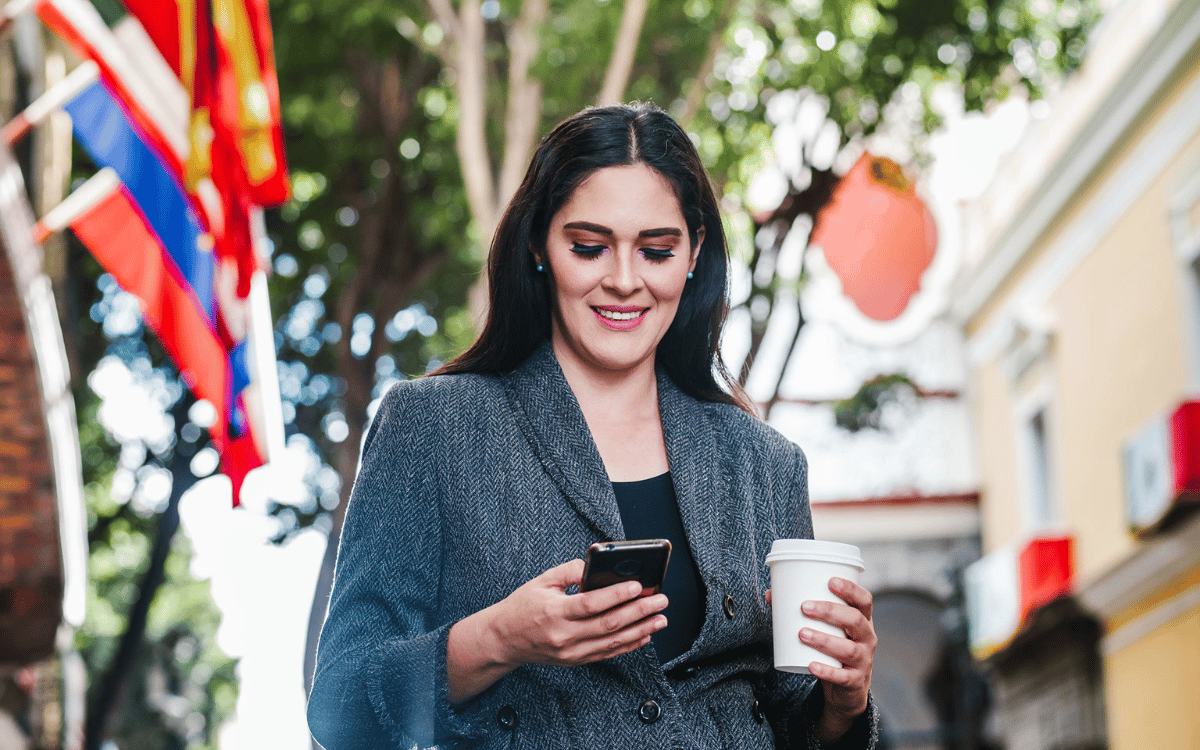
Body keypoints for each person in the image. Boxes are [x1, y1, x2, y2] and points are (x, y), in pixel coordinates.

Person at [307, 102, 879, 749]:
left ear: (694, 252)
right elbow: (339, 706)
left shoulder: (763, 462)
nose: (625, 281)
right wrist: (499, 640)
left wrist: (843, 702)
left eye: (657, 250)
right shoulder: (435, 427)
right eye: (589, 246)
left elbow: (791, 719)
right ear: (537, 244)